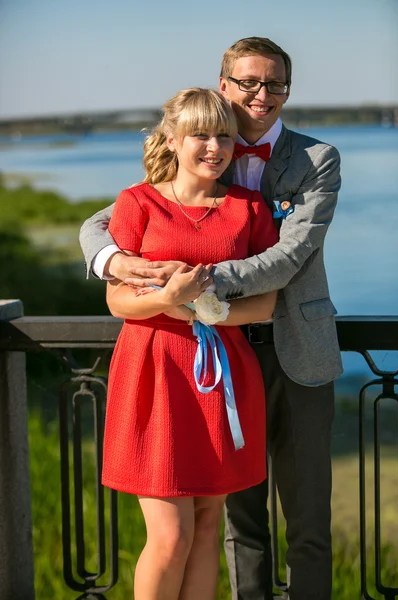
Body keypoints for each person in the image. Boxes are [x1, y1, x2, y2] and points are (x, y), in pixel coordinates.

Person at [80, 37, 343, 600]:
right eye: (248, 82)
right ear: (224, 86)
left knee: (307, 527)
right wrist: (113, 261)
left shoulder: (316, 160)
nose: (261, 94)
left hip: (291, 348)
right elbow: (105, 223)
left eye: (274, 83)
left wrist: (193, 287)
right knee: (229, 527)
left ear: (288, 91)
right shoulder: (169, 175)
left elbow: (288, 258)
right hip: (197, 369)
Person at [100, 87, 279, 600]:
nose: (213, 146)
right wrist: (169, 301)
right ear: (173, 141)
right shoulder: (138, 202)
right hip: (154, 372)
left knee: (205, 529)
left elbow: (264, 306)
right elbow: (118, 303)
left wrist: (204, 309)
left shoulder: (248, 209)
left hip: (221, 373)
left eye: (223, 135)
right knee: (170, 534)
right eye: (199, 134)